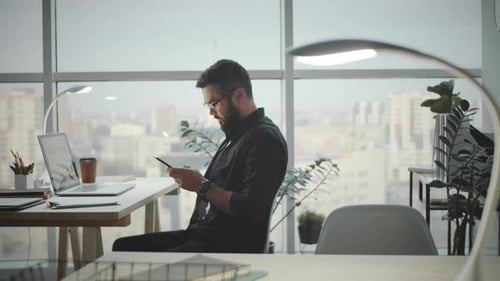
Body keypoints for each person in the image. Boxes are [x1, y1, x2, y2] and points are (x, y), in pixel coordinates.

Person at [112, 59, 288, 253]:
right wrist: (197, 180)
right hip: (202, 237)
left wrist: (201, 185)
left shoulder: (264, 139)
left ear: (239, 95)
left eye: (214, 103)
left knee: (131, 256)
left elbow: (250, 210)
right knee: (123, 247)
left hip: (225, 248)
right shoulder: (237, 135)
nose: (211, 112)